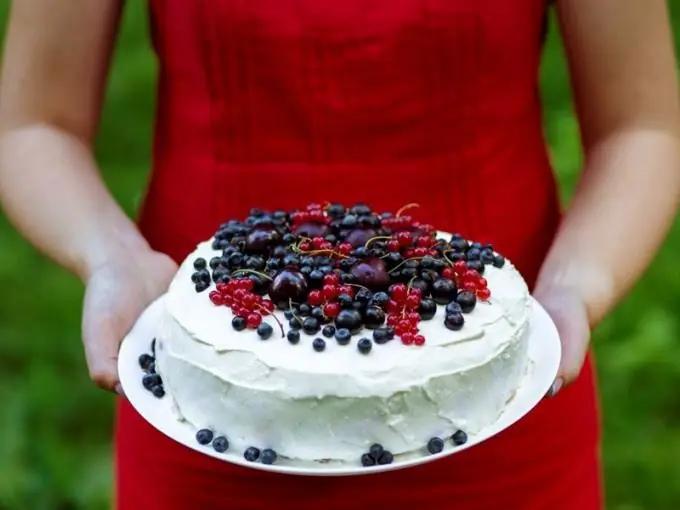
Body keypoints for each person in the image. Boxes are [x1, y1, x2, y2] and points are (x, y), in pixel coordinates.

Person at [1, 1, 678, 508]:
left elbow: (644, 125)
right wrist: (110, 254)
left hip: (498, 395)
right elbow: (33, 122)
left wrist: (574, 284)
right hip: (210, 393)